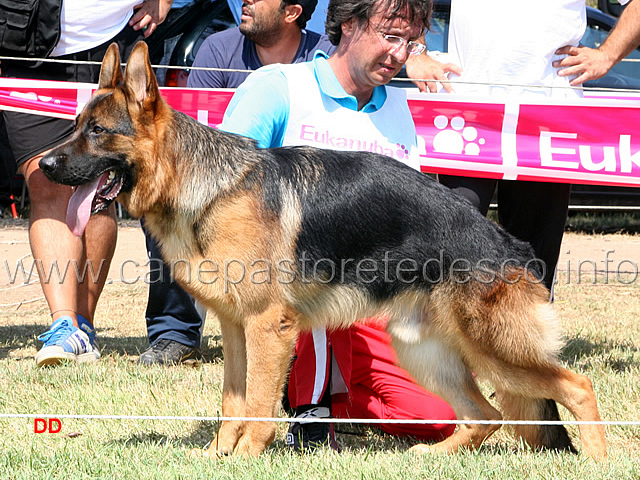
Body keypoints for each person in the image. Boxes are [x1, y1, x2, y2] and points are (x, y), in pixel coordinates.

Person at [219, 0, 456, 451]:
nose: (400, 55)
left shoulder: (401, 109)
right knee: (313, 273)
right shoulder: (279, 85)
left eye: (410, 43)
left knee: (436, 419)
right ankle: (310, 410)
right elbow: (227, 181)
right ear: (348, 25)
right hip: (293, 283)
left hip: (376, 295)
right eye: (390, 37)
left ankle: (340, 400)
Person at [138, 0, 334, 365]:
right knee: (162, 215)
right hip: (228, 194)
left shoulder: (325, 53)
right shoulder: (216, 49)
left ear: (291, 12)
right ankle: (175, 333)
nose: (246, 1)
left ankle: (300, 340)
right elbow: (195, 139)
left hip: (299, 195)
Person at [405, 0, 636, 297]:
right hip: (468, 110)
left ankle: (525, 341)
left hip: (549, 113)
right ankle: (448, 340)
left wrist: (607, 55)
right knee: (450, 245)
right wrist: (416, 51)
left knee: (533, 261)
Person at [0, 0, 173, 367]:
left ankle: (84, 326)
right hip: (28, 45)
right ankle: (63, 323)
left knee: (99, 183)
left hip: (113, 35)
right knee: (45, 178)